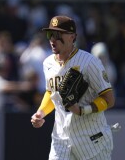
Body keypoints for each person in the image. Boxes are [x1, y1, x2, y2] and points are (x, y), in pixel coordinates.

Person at [30, 16, 116, 160]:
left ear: (72, 37)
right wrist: (41, 112)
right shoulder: (48, 63)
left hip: (91, 138)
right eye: (50, 34)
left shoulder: (89, 62)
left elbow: (109, 99)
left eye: (57, 35)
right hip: (61, 139)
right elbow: (51, 92)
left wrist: (83, 110)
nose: (52, 39)